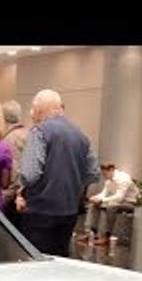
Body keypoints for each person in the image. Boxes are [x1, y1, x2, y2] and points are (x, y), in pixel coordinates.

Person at [17, 89, 100, 256]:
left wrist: (22, 191)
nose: (32, 115)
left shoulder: (39, 131)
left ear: (39, 110)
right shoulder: (80, 135)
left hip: (40, 211)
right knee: (60, 259)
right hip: (69, 211)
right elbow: (93, 173)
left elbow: (30, 174)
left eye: (33, 110)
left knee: (36, 262)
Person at [81, 162, 139, 245]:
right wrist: (95, 198)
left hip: (129, 202)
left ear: (111, 170)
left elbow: (119, 197)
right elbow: (104, 193)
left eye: (105, 174)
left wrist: (102, 200)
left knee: (111, 207)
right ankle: (93, 233)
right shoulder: (108, 180)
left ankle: (107, 236)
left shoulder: (123, 178)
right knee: (95, 205)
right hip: (116, 201)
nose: (104, 176)